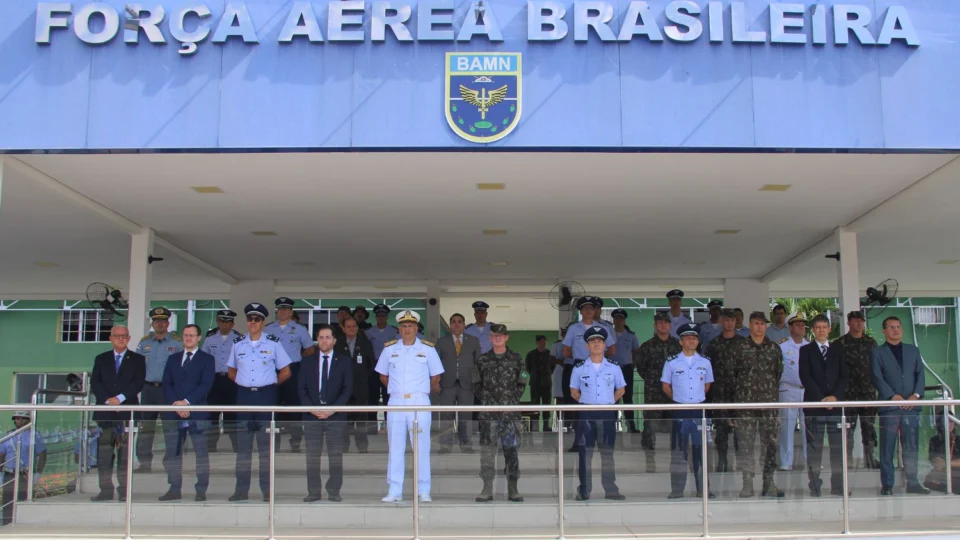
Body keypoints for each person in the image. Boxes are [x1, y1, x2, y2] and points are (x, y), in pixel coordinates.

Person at [226, 303, 293, 502]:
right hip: (244, 397)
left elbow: (286, 371)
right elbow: (231, 370)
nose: (253, 323)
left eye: (257, 319)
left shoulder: (273, 343)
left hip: (266, 397)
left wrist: (270, 385)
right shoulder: (238, 343)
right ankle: (241, 490)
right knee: (243, 447)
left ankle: (267, 491)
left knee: (266, 447)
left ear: (263, 322)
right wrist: (244, 382)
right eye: (250, 319)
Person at [375, 310, 443, 503]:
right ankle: (394, 489)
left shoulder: (428, 349)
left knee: (421, 447)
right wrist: (397, 390)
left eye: (410, 326)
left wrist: (418, 390)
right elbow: (383, 375)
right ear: (399, 328)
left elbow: (436, 375)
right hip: (396, 401)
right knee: (395, 447)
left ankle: (423, 490)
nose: (407, 329)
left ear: (416, 328)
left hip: (419, 401)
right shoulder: (389, 349)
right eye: (404, 326)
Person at [870, 316, 929, 496]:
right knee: (887, 447)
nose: (895, 330)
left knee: (911, 446)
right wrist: (891, 396)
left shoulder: (913, 350)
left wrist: (915, 396)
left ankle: (913, 482)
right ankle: (887, 484)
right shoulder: (877, 352)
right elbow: (876, 377)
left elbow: (920, 374)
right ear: (884, 331)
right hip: (891, 406)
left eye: (898, 326)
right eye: (891, 327)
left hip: (911, 407)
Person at [159, 324, 215, 502]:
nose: (188, 338)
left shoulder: (207, 359)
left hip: (197, 412)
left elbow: (206, 385)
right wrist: (177, 404)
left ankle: (201, 490)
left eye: (192, 335)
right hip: (174, 412)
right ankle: (174, 488)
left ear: (199, 338)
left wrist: (187, 403)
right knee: (173, 453)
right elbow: (166, 383)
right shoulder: (173, 358)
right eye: (185, 335)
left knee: (201, 453)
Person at [473, 324, 529, 503]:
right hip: (489, 415)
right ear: (490, 338)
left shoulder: (516, 358)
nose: (498, 338)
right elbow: (476, 384)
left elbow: (523, 380)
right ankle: (487, 488)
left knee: (511, 452)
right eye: (494, 335)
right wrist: (488, 401)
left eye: (501, 335)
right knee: (487, 453)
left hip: (510, 415)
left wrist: (511, 400)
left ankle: (513, 488)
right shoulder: (482, 360)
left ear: (507, 337)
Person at [90, 325, 146, 501]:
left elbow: (138, 383)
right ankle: (106, 490)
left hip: (125, 414)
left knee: (124, 456)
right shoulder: (101, 359)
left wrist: (120, 399)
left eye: (124, 336)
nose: (120, 339)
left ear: (129, 339)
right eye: (117, 336)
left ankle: (124, 492)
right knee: (105, 455)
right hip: (105, 414)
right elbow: (96, 383)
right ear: (111, 338)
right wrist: (108, 400)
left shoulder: (137, 359)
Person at [570, 326, 626, 501]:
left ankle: (610, 489)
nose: (596, 344)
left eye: (600, 341)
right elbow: (574, 391)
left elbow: (621, 389)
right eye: (592, 341)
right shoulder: (579, 368)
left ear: (605, 345)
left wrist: (608, 403)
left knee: (607, 453)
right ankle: (584, 490)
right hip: (586, 413)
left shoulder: (614, 367)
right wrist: (588, 403)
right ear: (587, 346)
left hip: (607, 413)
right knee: (585, 453)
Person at [733, 311, 784, 498]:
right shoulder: (739, 347)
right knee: (745, 444)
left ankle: (768, 482)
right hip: (745, 404)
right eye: (756, 323)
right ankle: (747, 483)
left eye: (763, 323)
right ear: (750, 325)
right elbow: (733, 377)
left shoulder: (774, 349)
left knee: (770, 445)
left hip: (768, 404)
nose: (759, 327)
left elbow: (777, 374)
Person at [299, 325, 353, 502]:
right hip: (311, 415)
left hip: (335, 416)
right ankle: (313, 491)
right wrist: (312, 408)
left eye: (328, 337)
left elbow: (347, 389)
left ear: (334, 340)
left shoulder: (344, 361)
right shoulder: (307, 361)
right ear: (317, 340)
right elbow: (302, 389)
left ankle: (334, 490)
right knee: (312, 456)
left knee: (335, 455)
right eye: (321, 337)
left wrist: (333, 409)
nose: (324, 341)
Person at [662, 323, 714, 499]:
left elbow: (707, 386)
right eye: (688, 338)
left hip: (699, 410)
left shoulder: (705, 362)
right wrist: (679, 399)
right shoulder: (672, 362)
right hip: (680, 410)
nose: (692, 340)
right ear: (681, 341)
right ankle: (677, 490)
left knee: (701, 451)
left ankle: (703, 489)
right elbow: (666, 386)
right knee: (679, 451)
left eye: (695, 338)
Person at [799, 314, 848, 497]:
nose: (821, 330)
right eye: (817, 327)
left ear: (829, 329)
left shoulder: (838, 349)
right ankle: (815, 485)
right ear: (812, 330)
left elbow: (844, 376)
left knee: (837, 448)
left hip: (835, 406)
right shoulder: (806, 350)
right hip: (815, 405)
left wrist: (835, 397)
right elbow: (805, 376)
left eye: (824, 327)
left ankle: (838, 485)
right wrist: (822, 398)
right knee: (815, 448)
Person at [563, 297, 617, 451]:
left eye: (591, 308)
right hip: (580, 367)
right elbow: (566, 350)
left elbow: (612, 349)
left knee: (600, 402)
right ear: (580, 311)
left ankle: (602, 440)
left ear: (595, 311)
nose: (588, 311)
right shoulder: (574, 328)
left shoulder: (603, 328)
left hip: (600, 366)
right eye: (585, 308)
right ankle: (579, 441)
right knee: (579, 405)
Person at [135, 307, 183, 473]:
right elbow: (138, 366)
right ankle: (144, 463)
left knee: (170, 427)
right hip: (148, 389)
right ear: (152, 323)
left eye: (163, 321)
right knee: (146, 428)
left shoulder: (176, 343)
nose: (160, 324)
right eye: (156, 321)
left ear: (168, 323)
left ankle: (170, 461)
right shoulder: (144, 343)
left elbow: (181, 369)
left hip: (168, 390)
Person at [265, 297, 316, 453]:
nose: (283, 312)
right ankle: (274, 442)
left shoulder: (299, 329)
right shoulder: (268, 329)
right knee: (273, 406)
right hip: (273, 370)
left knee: (294, 407)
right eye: (280, 309)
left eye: (286, 309)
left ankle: (295, 441)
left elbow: (310, 349)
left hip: (293, 370)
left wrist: (298, 360)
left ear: (291, 311)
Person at [636, 312, 681, 472]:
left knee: (676, 426)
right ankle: (650, 458)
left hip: (674, 393)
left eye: (666, 322)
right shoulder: (647, 346)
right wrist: (653, 379)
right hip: (653, 391)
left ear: (670, 325)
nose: (663, 325)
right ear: (655, 325)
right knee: (650, 426)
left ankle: (676, 459)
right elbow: (641, 368)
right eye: (660, 322)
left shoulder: (678, 346)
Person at [705, 308, 745, 473]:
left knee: (740, 430)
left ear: (736, 322)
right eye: (726, 320)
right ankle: (722, 460)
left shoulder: (743, 343)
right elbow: (707, 369)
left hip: (739, 394)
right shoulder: (714, 344)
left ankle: (740, 462)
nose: (729, 323)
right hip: (720, 393)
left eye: (732, 320)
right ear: (721, 321)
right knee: (721, 430)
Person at [839, 311, 879, 469]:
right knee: (847, 430)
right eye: (855, 321)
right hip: (848, 394)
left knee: (869, 429)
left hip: (867, 393)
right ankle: (846, 461)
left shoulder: (871, 343)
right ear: (849, 323)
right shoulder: (840, 343)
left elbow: (877, 368)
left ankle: (870, 459)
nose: (859, 324)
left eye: (861, 321)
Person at [436, 313, 480, 453]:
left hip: (466, 384)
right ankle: (446, 445)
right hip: (446, 383)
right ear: (450, 325)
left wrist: (476, 383)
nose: (456, 324)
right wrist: (435, 382)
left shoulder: (473, 341)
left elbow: (477, 363)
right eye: (453, 321)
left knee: (465, 415)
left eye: (459, 321)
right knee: (446, 415)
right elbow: (435, 363)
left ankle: (466, 445)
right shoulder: (442, 341)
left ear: (464, 324)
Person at [201, 309, 242, 452]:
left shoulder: (239, 339)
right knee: (212, 414)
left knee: (232, 414)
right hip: (214, 381)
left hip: (232, 380)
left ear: (233, 324)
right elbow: (204, 361)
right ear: (218, 321)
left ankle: (236, 446)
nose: (225, 325)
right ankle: (211, 446)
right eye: (222, 321)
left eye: (228, 322)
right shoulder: (209, 339)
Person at [333, 317, 375, 453]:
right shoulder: (337, 344)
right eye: (349, 326)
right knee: (344, 419)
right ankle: (344, 446)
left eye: (354, 326)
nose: (351, 329)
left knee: (361, 419)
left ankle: (362, 446)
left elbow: (371, 365)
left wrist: (363, 378)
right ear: (343, 328)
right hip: (342, 388)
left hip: (360, 387)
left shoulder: (365, 343)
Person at [0, 412, 46, 525]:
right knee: (7, 502)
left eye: (20, 418)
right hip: (9, 474)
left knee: (24, 501)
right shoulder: (9, 435)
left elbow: (42, 455)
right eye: (15, 418)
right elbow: (1, 456)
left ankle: (23, 525)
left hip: (25, 475)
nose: (17, 421)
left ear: (27, 420)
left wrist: (37, 474)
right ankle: (6, 525)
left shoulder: (35, 435)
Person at [778, 312, 809, 471]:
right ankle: (786, 461)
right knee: (787, 426)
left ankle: (810, 459)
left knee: (808, 426)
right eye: (797, 324)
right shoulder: (782, 346)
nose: (801, 327)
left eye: (803, 324)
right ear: (790, 327)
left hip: (807, 391)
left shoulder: (809, 345)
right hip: (788, 389)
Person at [610, 309, 641, 433]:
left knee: (628, 397)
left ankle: (630, 424)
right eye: (616, 318)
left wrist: (633, 364)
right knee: (612, 398)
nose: (619, 321)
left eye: (621, 318)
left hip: (626, 369)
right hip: (612, 369)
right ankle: (611, 425)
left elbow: (636, 352)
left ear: (624, 320)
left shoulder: (631, 336)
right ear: (614, 320)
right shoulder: (609, 335)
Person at [366, 304, 399, 410]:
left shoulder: (394, 331)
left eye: (383, 316)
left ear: (387, 317)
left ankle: (388, 423)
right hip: (374, 366)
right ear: (376, 317)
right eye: (379, 316)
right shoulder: (369, 332)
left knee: (388, 395)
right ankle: (372, 424)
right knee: (373, 396)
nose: (381, 318)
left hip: (389, 367)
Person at [923, 415, 960, 494]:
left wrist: (947, 463)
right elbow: (935, 461)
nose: (949, 424)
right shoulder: (934, 440)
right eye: (946, 422)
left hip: (956, 473)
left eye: (951, 422)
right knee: (928, 480)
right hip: (942, 473)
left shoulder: (959, 439)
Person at [526, 335, 554, 434]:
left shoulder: (550, 354)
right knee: (535, 405)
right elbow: (528, 368)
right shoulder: (531, 354)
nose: (544, 343)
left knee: (547, 405)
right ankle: (535, 426)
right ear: (537, 342)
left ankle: (546, 426)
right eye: (542, 342)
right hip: (535, 383)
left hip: (546, 383)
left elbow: (552, 368)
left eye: (545, 342)